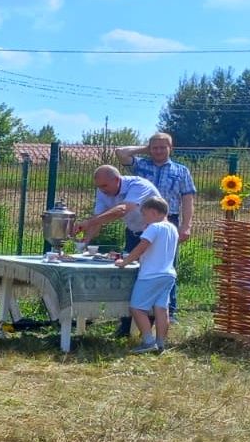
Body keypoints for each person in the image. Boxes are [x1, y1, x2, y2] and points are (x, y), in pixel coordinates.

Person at [72, 165, 160, 337]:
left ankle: (151, 326)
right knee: (128, 277)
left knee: (149, 277)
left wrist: (88, 222)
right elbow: (98, 220)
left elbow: (122, 210)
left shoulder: (139, 185)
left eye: (104, 186)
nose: (101, 190)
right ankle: (127, 325)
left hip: (155, 235)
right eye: (98, 186)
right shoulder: (104, 190)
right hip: (134, 234)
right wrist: (85, 241)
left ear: (117, 180)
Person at [117, 132, 194, 318]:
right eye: (155, 147)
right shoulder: (141, 165)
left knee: (165, 265)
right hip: (140, 221)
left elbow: (188, 198)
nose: (158, 151)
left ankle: (168, 312)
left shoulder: (181, 171)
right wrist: (146, 148)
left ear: (171, 149)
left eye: (162, 147)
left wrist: (186, 225)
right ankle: (130, 315)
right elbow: (121, 153)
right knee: (132, 262)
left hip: (169, 222)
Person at [114, 196, 179, 353]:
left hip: (151, 275)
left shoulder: (154, 228)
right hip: (168, 274)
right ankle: (161, 343)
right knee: (161, 310)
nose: (143, 218)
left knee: (137, 307)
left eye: (144, 214)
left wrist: (125, 262)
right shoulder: (172, 228)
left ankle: (148, 341)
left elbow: (141, 247)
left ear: (154, 212)